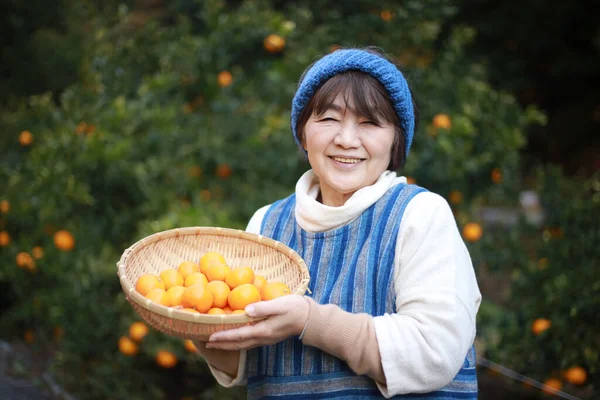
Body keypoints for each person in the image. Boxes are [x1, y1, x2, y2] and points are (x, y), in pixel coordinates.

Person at [193, 47, 482, 399]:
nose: (346, 139)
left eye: (370, 122)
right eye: (328, 119)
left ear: (395, 142)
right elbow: (244, 362)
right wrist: (198, 323)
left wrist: (309, 321)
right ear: (302, 133)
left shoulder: (420, 215)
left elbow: (434, 352)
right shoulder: (267, 224)